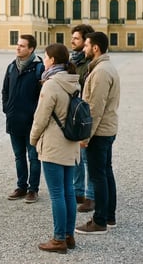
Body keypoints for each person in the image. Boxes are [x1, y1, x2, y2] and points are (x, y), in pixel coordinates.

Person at [30, 43, 80, 254]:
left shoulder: (51, 84)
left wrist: (33, 139)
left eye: (46, 57)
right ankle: (69, 235)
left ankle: (59, 239)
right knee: (68, 190)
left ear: (52, 60)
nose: (44, 60)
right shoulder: (73, 81)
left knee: (57, 193)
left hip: (53, 144)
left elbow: (40, 118)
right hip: (71, 143)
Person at [75, 32, 120, 234]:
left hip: (99, 133)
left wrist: (85, 136)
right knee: (105, 173)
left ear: (95, 48)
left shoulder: (101, 71)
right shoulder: (104, 67)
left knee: (98, 176)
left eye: (86, 45)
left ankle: (100, 221)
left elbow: (95, 108)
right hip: (106, 130)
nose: (83, 48)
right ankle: (109, 216)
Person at [2, 34, 44, 203]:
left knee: (33, 157)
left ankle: (33, 189)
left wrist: (36, 114)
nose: (18, 48)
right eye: (17, 45)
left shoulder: (39, 68)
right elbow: (5, 90)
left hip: (32, 121)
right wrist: (7, 108)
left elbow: (44, 96)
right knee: (19, 156)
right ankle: (21, 186)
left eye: (22, 46)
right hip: (13, 119)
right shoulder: (12, 67)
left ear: (31, 49)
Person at [70, 24, 95, 212]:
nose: (73, 41)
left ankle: (90, 195)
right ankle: (78, 190)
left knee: (87, 158)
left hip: (84, 114)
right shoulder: (74, 61)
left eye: (77, 39)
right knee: (76, 156)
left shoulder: (89, 65)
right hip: (74, 115)